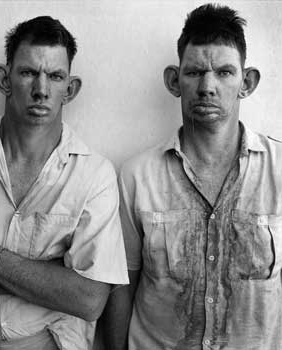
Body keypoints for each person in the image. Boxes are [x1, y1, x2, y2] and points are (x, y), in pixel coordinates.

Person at [0, 16, 128, 350]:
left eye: (55, 76)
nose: (41, 90)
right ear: (4, 79)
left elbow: (90, 299)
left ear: (71, 88)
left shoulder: (95, 174)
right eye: (28, 73)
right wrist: (48, 277)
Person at [101, 3, 282, 350]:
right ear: (174, 81)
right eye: (195, 72)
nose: (207, 86)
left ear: (247, 82)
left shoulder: (278, 170)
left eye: (225, 72)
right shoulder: (137, 176)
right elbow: (121, 285)